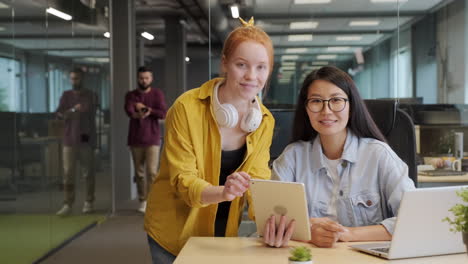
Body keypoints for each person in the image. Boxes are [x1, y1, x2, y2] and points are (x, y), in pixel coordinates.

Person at [144, 17, 275, 263]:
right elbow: (183, 180)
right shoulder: (187, 108)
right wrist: (223, 192)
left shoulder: (264, 120)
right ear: (225, 63)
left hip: (224, 232)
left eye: (261, 67)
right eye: (241, 64)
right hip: (176, 231)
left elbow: (258, 181)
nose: (251, 76)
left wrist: (273, 221)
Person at [263, 66, 415, 248]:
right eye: (316, 101)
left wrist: (348, 234)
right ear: (306, 109)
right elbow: (272, 220)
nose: (326, 110)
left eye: (336, 100)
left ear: (351, 107)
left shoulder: (378, 155)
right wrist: (310, 233)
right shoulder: (292, 158)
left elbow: (414, 218)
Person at [125, 66, 167, 213]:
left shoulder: (157, 94)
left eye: (147, 78)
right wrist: (137, 110)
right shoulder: (131, 95)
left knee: (152, 171)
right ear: (138, 78)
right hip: (135, 139)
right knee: (139, 173)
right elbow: (129, 111)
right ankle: (142, 200)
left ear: (151, 78)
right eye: (141, 78)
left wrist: (148, 110)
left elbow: (163, 113)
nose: (144, 80)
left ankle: (152, 200)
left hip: (153, 139)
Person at [56, 68, 98, 216]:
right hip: (69, 139)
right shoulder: (66, 96)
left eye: (77, 78)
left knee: (88, 172)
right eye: (72, 79)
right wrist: (73, 110)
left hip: (85, 138)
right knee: (68, 173)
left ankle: (89, 201)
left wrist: (71, 112)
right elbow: (60, 114)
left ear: (82, 79)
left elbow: (89, 112)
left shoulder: (90, 95)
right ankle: (68, 203)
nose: (75, 81)